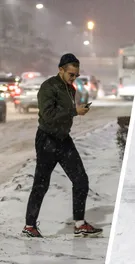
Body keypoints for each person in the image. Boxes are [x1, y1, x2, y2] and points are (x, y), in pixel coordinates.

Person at [23, 53, 103, 238]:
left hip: (63, 139)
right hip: (47, 140)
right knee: (41, 184)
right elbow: (48, 114)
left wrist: (75, 111)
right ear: (61, 70)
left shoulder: (70, 89)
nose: (73, 78)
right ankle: (29, 226)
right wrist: (74, 111)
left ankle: (80, 224)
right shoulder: (48, 87)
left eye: (76, 75)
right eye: (71, 74)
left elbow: (66, 113)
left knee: (81, 180)